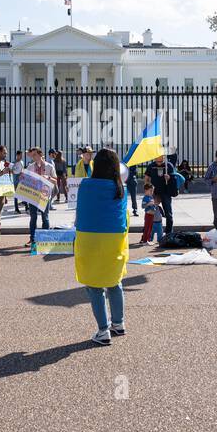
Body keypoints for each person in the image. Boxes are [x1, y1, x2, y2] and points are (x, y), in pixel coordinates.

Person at [75, 147, 129, 346]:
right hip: (114, 239)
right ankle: (118, 323)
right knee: (114, 282)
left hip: (90, 239)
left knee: (95, 286)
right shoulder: (121, 188)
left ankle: (103, 330)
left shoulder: (86, 185)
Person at [21, 146, 55, 242]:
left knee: (45, 217)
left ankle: (45, 239)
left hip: (45, 194)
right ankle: (33, 238)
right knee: (33, 217)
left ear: (40, 154)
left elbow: (55, 181)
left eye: (35, 155)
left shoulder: (49, 166)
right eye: (32, 155)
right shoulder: (30, 166)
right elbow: (24, 180)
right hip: (33, 194)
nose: (33, 157)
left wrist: (48, 178)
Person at [144, 154, 179, 240]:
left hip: (166, 192)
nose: (159, 163)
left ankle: (169, 234)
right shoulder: (151, 166)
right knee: (150, 213)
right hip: (155, 192)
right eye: (157, 161)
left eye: (161, 161)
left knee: (168, 214)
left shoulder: (169, 165)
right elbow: (147, 178)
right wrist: (147, 190)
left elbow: (174, 178)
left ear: (164, 158)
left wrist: (169, 177)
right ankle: (147, 235)